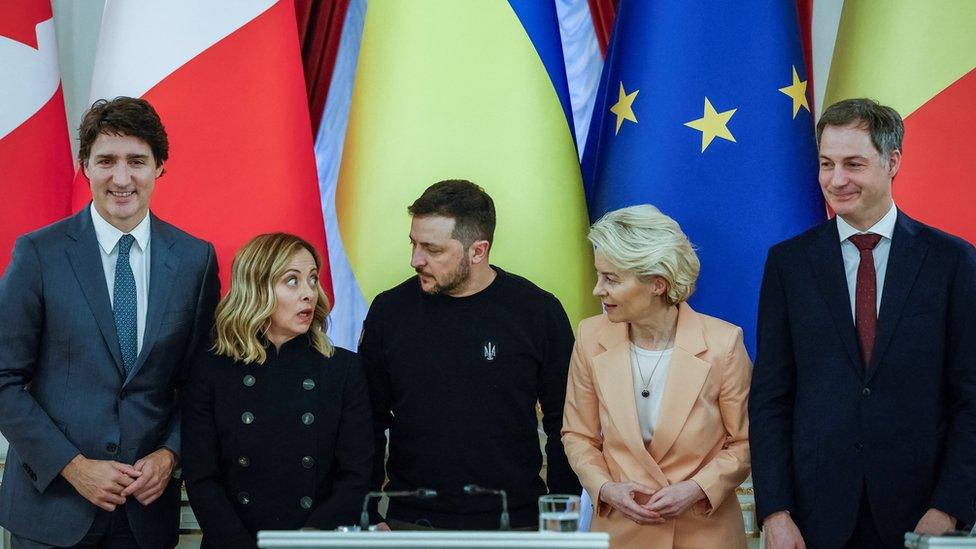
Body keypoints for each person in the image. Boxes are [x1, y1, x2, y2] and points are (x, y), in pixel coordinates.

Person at [750, 98, 976, 549]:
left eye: (853, 163)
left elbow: (971, 397)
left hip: (922, 516)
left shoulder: (952, 261)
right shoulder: (788, 264)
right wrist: (775, 511)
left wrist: (950, 506)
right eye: (826, 164)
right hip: (814, 519)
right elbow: (772, 398)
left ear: (892, 162)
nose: (836, 180)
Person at [0, 97, 220, 548]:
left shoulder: (196, 260)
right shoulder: (38, 254)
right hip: (52, 510)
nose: (122, 179)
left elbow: (203, 381)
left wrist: (170, 454)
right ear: (85, 166)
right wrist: (73, 466)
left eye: (137, 161)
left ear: (160, 166)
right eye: (106, 161)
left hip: (144, 513)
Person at [359, 179, 581, 530]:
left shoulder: (538, 312)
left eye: (432, 249)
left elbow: (567, 423)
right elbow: (367, 420)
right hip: (410, 524)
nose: (415, 260)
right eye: (414, 244)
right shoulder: (389, 311)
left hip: (516, 523)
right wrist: (369, 517)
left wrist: (563, 522)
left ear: (478, 251)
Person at [562, 204, 752, 549]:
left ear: (657, 284)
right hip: (618, 532)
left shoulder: (723, 344)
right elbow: (577, 435)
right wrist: (606, 488)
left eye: (612, 279)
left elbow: (747, 441)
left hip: (704, 532)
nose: (597, 290)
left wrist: (697, 488)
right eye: (599, 276)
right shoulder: (589, 338)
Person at [182, 233, 372, 548]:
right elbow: (202, 477)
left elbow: (355, 477)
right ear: (255, 289)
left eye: (312, 280)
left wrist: (310, 540)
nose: (309, 293)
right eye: (292, 281)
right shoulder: (212, 369)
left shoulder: (343, 370)